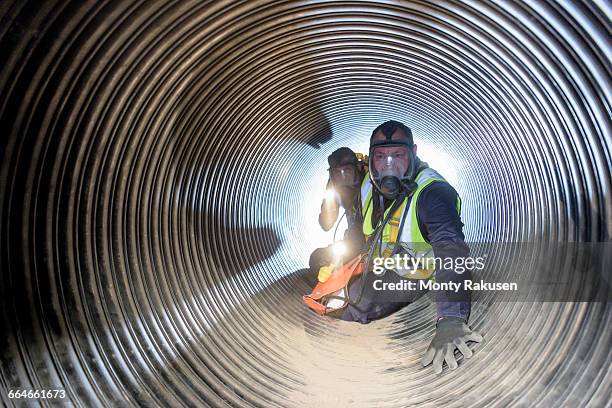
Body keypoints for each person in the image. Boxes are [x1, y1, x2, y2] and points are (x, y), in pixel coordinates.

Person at [341, 120, 483, 374]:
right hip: (387, 269)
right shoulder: (367, 186)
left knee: (360, 307)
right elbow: (359, 227)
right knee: (350, 296)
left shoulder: (433, 194)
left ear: (414, 153)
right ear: (371, 158)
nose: (388, 166)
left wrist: (451, 318)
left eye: (397, 155)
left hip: (421, 278)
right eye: (381, 156)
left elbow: (452, 254)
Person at [309, 147, 367, 279]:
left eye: (347, 170)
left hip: (377, 236)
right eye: (337, 173)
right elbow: (326, 224)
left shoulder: (372, 178)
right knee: (317, 258)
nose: (343, 177)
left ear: (358, 167)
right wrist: (331, 195)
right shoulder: (334, 187)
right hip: (354, 239)